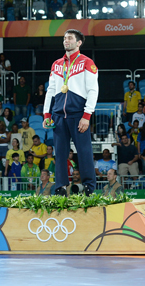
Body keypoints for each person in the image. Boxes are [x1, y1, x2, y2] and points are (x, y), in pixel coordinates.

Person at [43, 29, 98, 196]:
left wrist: (87, 116)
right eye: (64, 38)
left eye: (70, 38)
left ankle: (89, 186)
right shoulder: (56, 64)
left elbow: (93, 90)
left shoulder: (87, 62)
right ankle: (60, 186)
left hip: (78, 115)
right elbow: (50, 89)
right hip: (59, 115)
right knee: (59, 153)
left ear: (79, 42)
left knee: (84, 152)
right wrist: (47, 114)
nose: (66, 41)